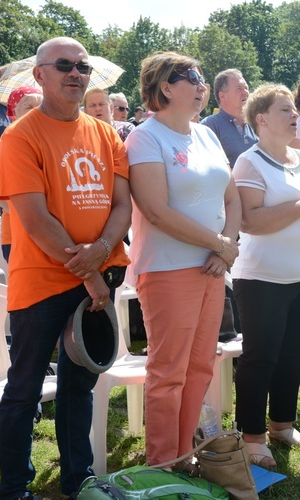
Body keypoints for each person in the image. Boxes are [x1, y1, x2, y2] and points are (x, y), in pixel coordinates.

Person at [0, 37, 132, 499]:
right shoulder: (19, 138)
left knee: (80, 386)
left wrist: (105, 248)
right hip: (44, 283)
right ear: (40, 75)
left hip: (101, 275)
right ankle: (14, 489)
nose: (76, 73)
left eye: (83, 66)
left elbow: (122, 204)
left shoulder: (105, 132)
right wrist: (88, 271)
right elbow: (35, 220)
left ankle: (77, 478)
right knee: (24, 387)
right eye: (64, 65)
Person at [124, 51, 241, 467]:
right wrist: (220, 243)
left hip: (213, 266)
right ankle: (162, 462)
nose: (201, 85)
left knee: (200, 370)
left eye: (203, 76)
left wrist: (226, 245)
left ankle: (186, 455)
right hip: (168, 268)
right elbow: (155, 209)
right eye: (191, 77)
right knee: (169, 372)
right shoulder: (144, 137)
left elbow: (232, 196)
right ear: (165, 87)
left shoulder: (205, 134)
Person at [232, 83, 300, 467]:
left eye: (294, 110)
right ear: (261, 119)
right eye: (285, 110)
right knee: (261, 356)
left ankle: (281, 423)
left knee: (294, 351)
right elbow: (250, 221)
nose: (295, 116)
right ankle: (252, 434)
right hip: (264, 279)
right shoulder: (250, 162)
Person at [0, 85, 43, 262]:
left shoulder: (46, 145)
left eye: (40, 106)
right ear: (13, 112)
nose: (35, 112)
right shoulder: (2, 146)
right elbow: (2, 199)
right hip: (19, 235)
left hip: (50, 234)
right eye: (28, 106)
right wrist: (41, 221)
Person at [201, 68, 258, 167]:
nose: (245, 93)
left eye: (246, 88)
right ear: (222, 96)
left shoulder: (256, 124)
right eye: (239, 89)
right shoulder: (209, 126)